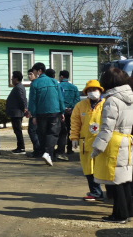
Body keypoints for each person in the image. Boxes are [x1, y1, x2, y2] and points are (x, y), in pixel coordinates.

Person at [91, 68, 133, 223]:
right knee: (125, 179)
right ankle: (128, 212)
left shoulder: (111, 100)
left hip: (113, 141)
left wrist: (97, 148)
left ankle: (120, 215)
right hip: (127, 139)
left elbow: (107, 127)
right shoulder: (129, 97)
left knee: (115, 181)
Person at [70, 80, 105, 202]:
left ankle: (111, 192)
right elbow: (75, 123)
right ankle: (95, 192)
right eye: (89, 90)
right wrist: (74, 138)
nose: (92, 92)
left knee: (105, 168)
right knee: (89, 169)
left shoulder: (106, 104)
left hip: (103, 142)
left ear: (100, 90)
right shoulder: (80, 106)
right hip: (86, 142)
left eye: (94, 90)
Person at [28, 62, 64, 166]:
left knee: (42, 134)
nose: (33, 73)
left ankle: (47, 154)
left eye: (34, 71)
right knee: (53, 133)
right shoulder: (54, 81)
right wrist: (62, 111)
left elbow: (32, 101)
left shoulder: (35, 83)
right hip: (54, 111)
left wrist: (33, 115)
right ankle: (48, 153)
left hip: (41, 113)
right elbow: (60, 98)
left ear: (39, 71)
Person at [56, 70, 81, 159]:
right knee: (71, 129)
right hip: (71, 112)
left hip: (61, 111)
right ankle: (69, 149)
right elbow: (77, 99)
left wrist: (64, 108)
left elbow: (58, 98)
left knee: (61, 131)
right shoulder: (74, 87)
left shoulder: (58, 86)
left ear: (61, 76)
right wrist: (71, 108)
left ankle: (60, 148)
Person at [6, 71, 27, 154]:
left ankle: (21, 147)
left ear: (16, 79)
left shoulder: (18, 87)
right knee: (17, 130)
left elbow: (22, 99)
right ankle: (20, 146)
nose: (12, 79)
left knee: (18, 130)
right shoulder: (18, 87)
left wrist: (24, 108)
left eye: (13, 78)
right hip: (16, 112)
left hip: (17, 112)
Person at [26, 69, 41, 157]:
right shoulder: (34, 84)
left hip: (36, 112)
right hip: (36, 111)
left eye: (31, 74)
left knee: (32, 130)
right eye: (28, 74)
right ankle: (37, 148)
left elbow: (33, 100)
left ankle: (37, 149)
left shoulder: (35, 84)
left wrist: (32, 112)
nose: (29, 76)